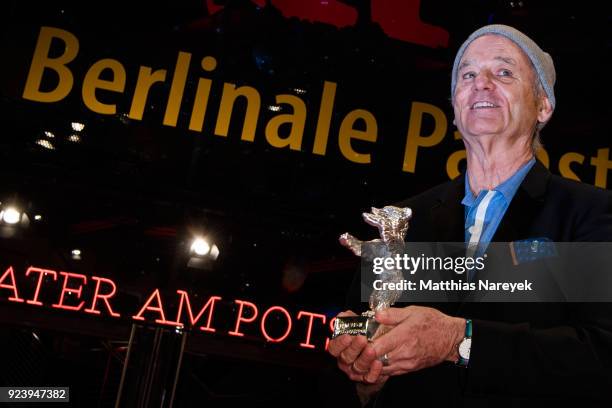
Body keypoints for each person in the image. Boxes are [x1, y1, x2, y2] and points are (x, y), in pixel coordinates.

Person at [325, 24, 612, 407]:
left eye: (504, 72)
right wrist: (366, 374)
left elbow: (601, 356)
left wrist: (458, 339)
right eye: (468, 74)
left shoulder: (588, 214)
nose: (482, 83)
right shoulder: (403, 222)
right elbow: (355, 375)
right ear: (456, 105)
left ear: (543, 104)